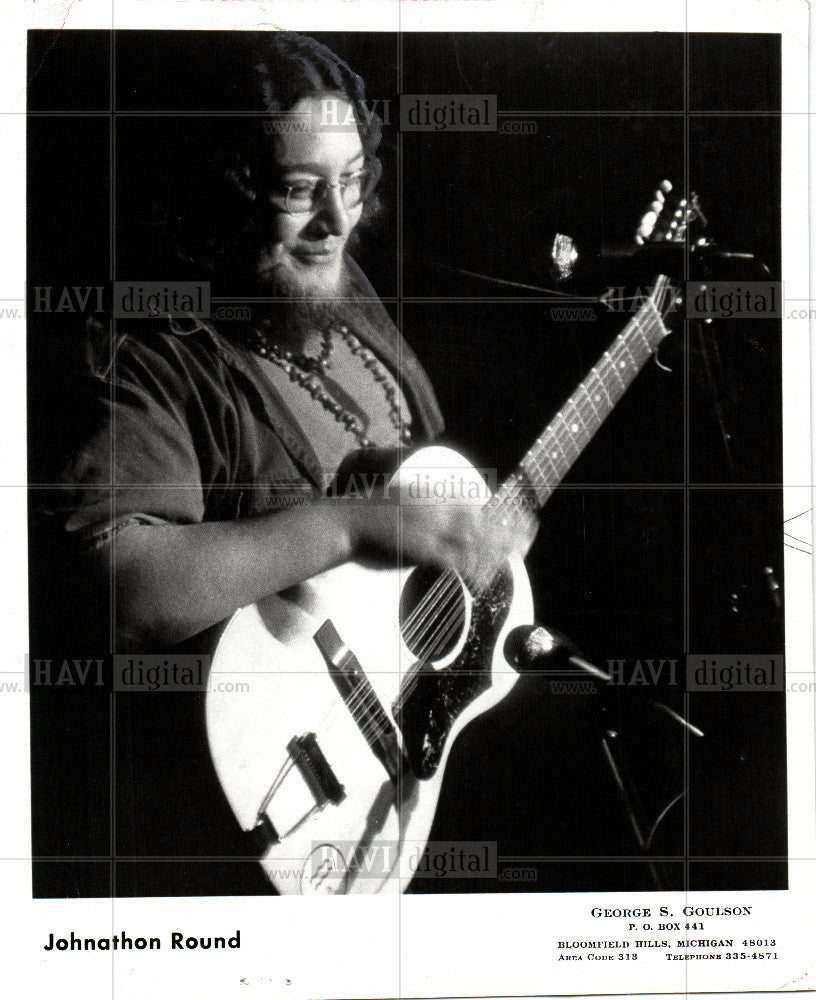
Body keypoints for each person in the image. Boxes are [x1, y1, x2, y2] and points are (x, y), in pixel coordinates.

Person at [35, 32, 533, 894]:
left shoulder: (341, 301)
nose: (337, 223)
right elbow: (121, 590)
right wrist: (354, 524)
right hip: (214, 824)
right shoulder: (152, 349)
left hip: (390, 772)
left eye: (351, 182)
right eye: (301, 190)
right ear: (224, 195)